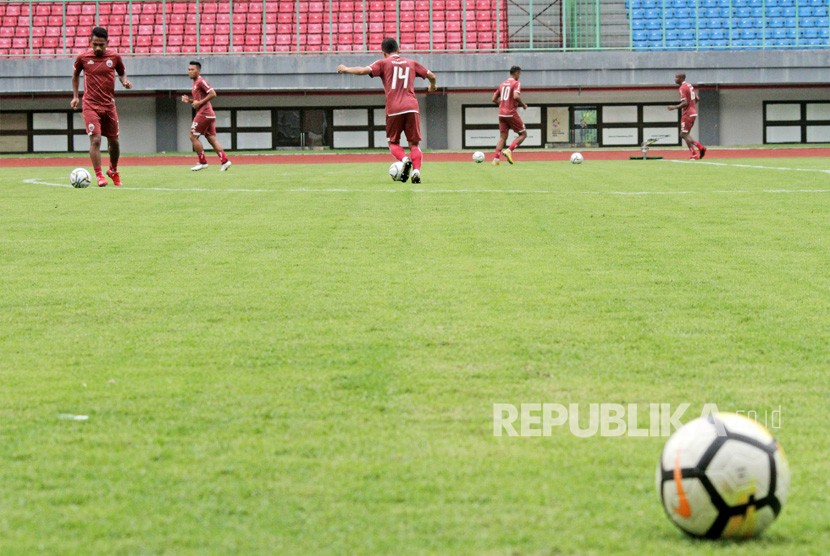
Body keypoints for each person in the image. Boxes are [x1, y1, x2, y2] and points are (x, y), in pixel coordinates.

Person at [337, 38, 437, 184]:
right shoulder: (411, 63)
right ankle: (416, 171)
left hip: (394, 108)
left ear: (383, 53)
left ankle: (404, 160)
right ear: (399, 49)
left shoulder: (383, 63)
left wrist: (346, 69)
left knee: (393, 143)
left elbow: (363, 70)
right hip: (411, 107)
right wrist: (432, 86)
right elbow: (432, 76)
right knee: (414, 144)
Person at [71, 27, 132, 187]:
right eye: (95, 44)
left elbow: (122, 73)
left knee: (114, 142)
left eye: (101, 45)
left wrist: (124, 81)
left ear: (107, 43)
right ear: (90, 42)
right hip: (90, 104)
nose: (98, 48)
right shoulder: (83, 58)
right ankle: (99, 175)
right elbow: (76, 75)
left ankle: (113, 170)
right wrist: (76, 96)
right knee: (96, 139)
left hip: (109, 105)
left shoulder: (115, 57)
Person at [181, 61, 231, 172]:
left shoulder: (200, 81)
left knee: (193, 137)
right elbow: (198, 102)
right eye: (188, 69)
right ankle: (225, 161)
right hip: (209, 114)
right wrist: (189, 101)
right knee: (211, 138)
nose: (189, 71)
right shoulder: (195, 84)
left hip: (205, 113)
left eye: (192, 69)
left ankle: (202, 162)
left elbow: (213, 93)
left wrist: (199, 103)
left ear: (198, 70)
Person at [492, 66, 528, 166]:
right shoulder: (516, 83)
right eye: (519, 73)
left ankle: (496, 159)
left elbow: (494, 98)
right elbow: (516, 96)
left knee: (502, 137)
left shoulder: (502, 84)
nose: (519, 76)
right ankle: (509, 150)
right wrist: (523, 105)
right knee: (523, 134)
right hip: (511, 112)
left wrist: (502, 104)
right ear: (516, 73)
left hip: (501, 114)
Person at [668, 73, 706, 160]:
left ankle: (698, 149)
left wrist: (674, 107)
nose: (675, 79)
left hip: (687, 114)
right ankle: (695, 153)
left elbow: (685, 103)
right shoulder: (689, 85)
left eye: (676, 77)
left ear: (681, 78)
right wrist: (692, 106)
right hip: (693, 112)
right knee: (685, 134)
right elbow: (697, 98)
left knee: (683, 134)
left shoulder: (682, 87)